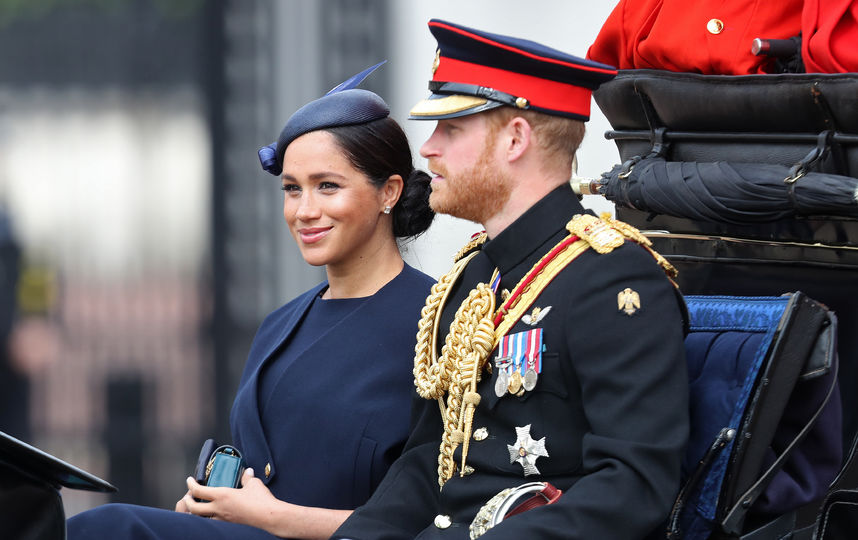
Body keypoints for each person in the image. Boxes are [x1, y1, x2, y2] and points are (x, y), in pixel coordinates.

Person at [332, 20, 689, 540]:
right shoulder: (473, 274)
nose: (427, 148)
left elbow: (632, 487)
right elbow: (426, 461)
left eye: (450, 130)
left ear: (516, 139)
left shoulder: (614, 278)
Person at [67, 63, 435, 540]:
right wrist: (211, 506)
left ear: (389, 191)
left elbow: (436, 515)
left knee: (109, 527)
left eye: (328, 186)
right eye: (291, 189)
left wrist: (270, 517)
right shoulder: (281, 325)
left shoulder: (434, 320)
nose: (304, 211)